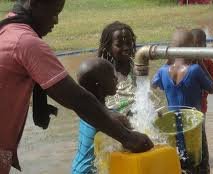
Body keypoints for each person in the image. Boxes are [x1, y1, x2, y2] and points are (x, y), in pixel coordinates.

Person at [0, 1, 153, 173]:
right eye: (54, 12)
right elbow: (77, 99)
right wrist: (128, 138)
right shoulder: (25, 42)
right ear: (35, 3)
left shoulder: (7, 28)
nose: (56, 20)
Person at [72, 21, 138, 174]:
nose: (116, 79)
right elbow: (135, 139)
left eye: (129, 42)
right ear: (99, 85)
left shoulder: (87, 107)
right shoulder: (110, 117)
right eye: (112, 77)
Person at [152, 28, 213, 174]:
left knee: (179, 161)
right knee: (200, 161)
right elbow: (212, 88)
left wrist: (167, 62)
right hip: (193, 125)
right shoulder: (194, 70)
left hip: (173, 124)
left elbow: (153, 84)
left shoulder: (163, 71)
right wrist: (201, 62)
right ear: (192, 48)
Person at [191, 28, 213, 174]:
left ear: (205, 46)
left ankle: (202, 167)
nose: (197, 48)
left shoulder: (208, 63)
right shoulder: (184, 63)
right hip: (184, 108)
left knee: (200, 139)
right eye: (193, 45)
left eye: (200, 44)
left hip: (200, 109)